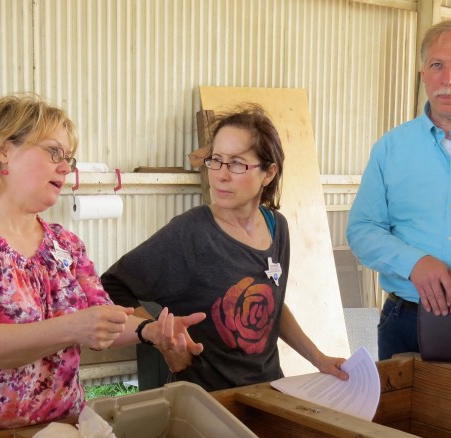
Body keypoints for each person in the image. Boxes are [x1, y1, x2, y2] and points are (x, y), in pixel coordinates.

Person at [0, 92, 205, 438]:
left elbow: (102, 319)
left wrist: (150, 332)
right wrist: (72, 327)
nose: (66, 167)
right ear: (4, 150)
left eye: (69, 158)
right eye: (54, 152)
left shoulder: (64, 243)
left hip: (65, 435)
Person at [101, 103, 348, 392]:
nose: (221, 174)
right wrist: (157, 335)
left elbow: (274, 307)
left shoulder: (276, 227)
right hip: (208, 399)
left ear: (268, 173)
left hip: (268, 391)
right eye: (215, 160)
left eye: (237, 164)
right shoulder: (191, 232)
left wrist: (319, 359)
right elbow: (111, 285)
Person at [347, 19, 451, 360]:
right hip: (405, 323)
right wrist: (414, 263)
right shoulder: (391, 148)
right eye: (437, 65)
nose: (447, 78)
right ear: (423, 74)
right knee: (401, 416)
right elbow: (362, 230)